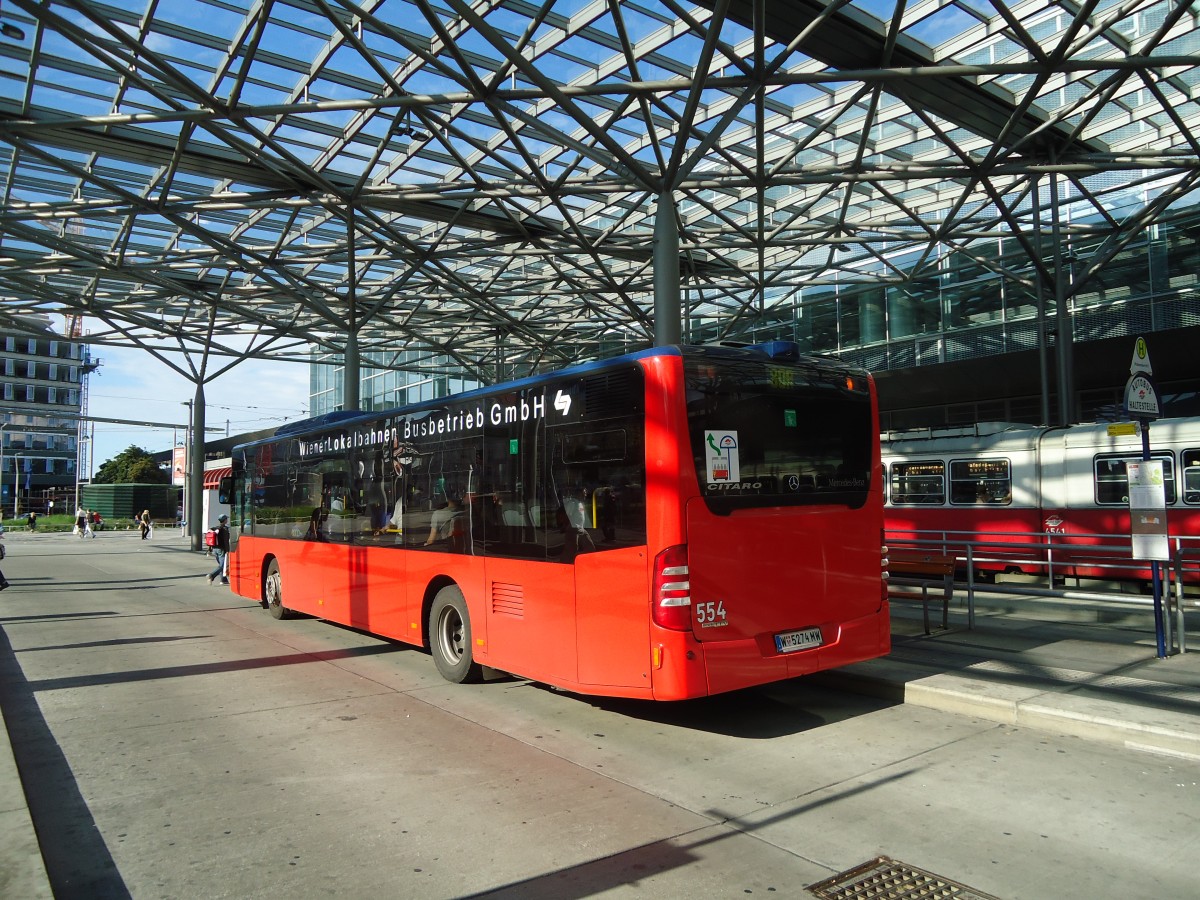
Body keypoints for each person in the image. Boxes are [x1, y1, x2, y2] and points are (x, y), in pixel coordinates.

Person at [206, 514, 230, 585]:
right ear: (225, 520)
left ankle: (223, 580)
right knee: (222, 566)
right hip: (221, 550)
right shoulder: (224, 529)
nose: (227, 520)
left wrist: (209, 549)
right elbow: (226, 541)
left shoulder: (215, 528)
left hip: (214, 549)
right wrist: (228, 550)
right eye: (226, 519)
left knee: (221, 565)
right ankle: (211, 575)